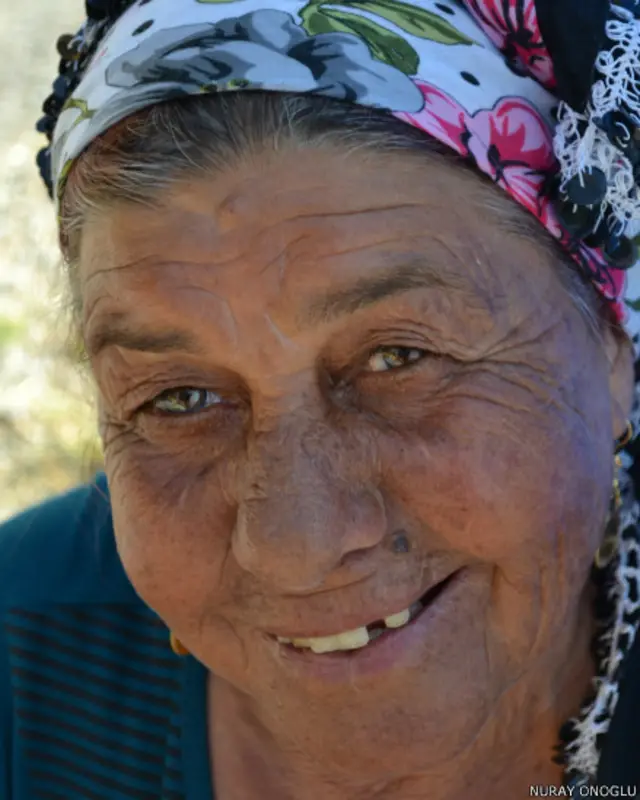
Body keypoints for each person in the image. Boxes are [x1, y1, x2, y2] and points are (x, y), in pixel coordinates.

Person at [2, 0, 640, 796]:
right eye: (180, 397)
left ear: (613, 343)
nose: (298, 546)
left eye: (399, 358)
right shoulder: (21, 673)